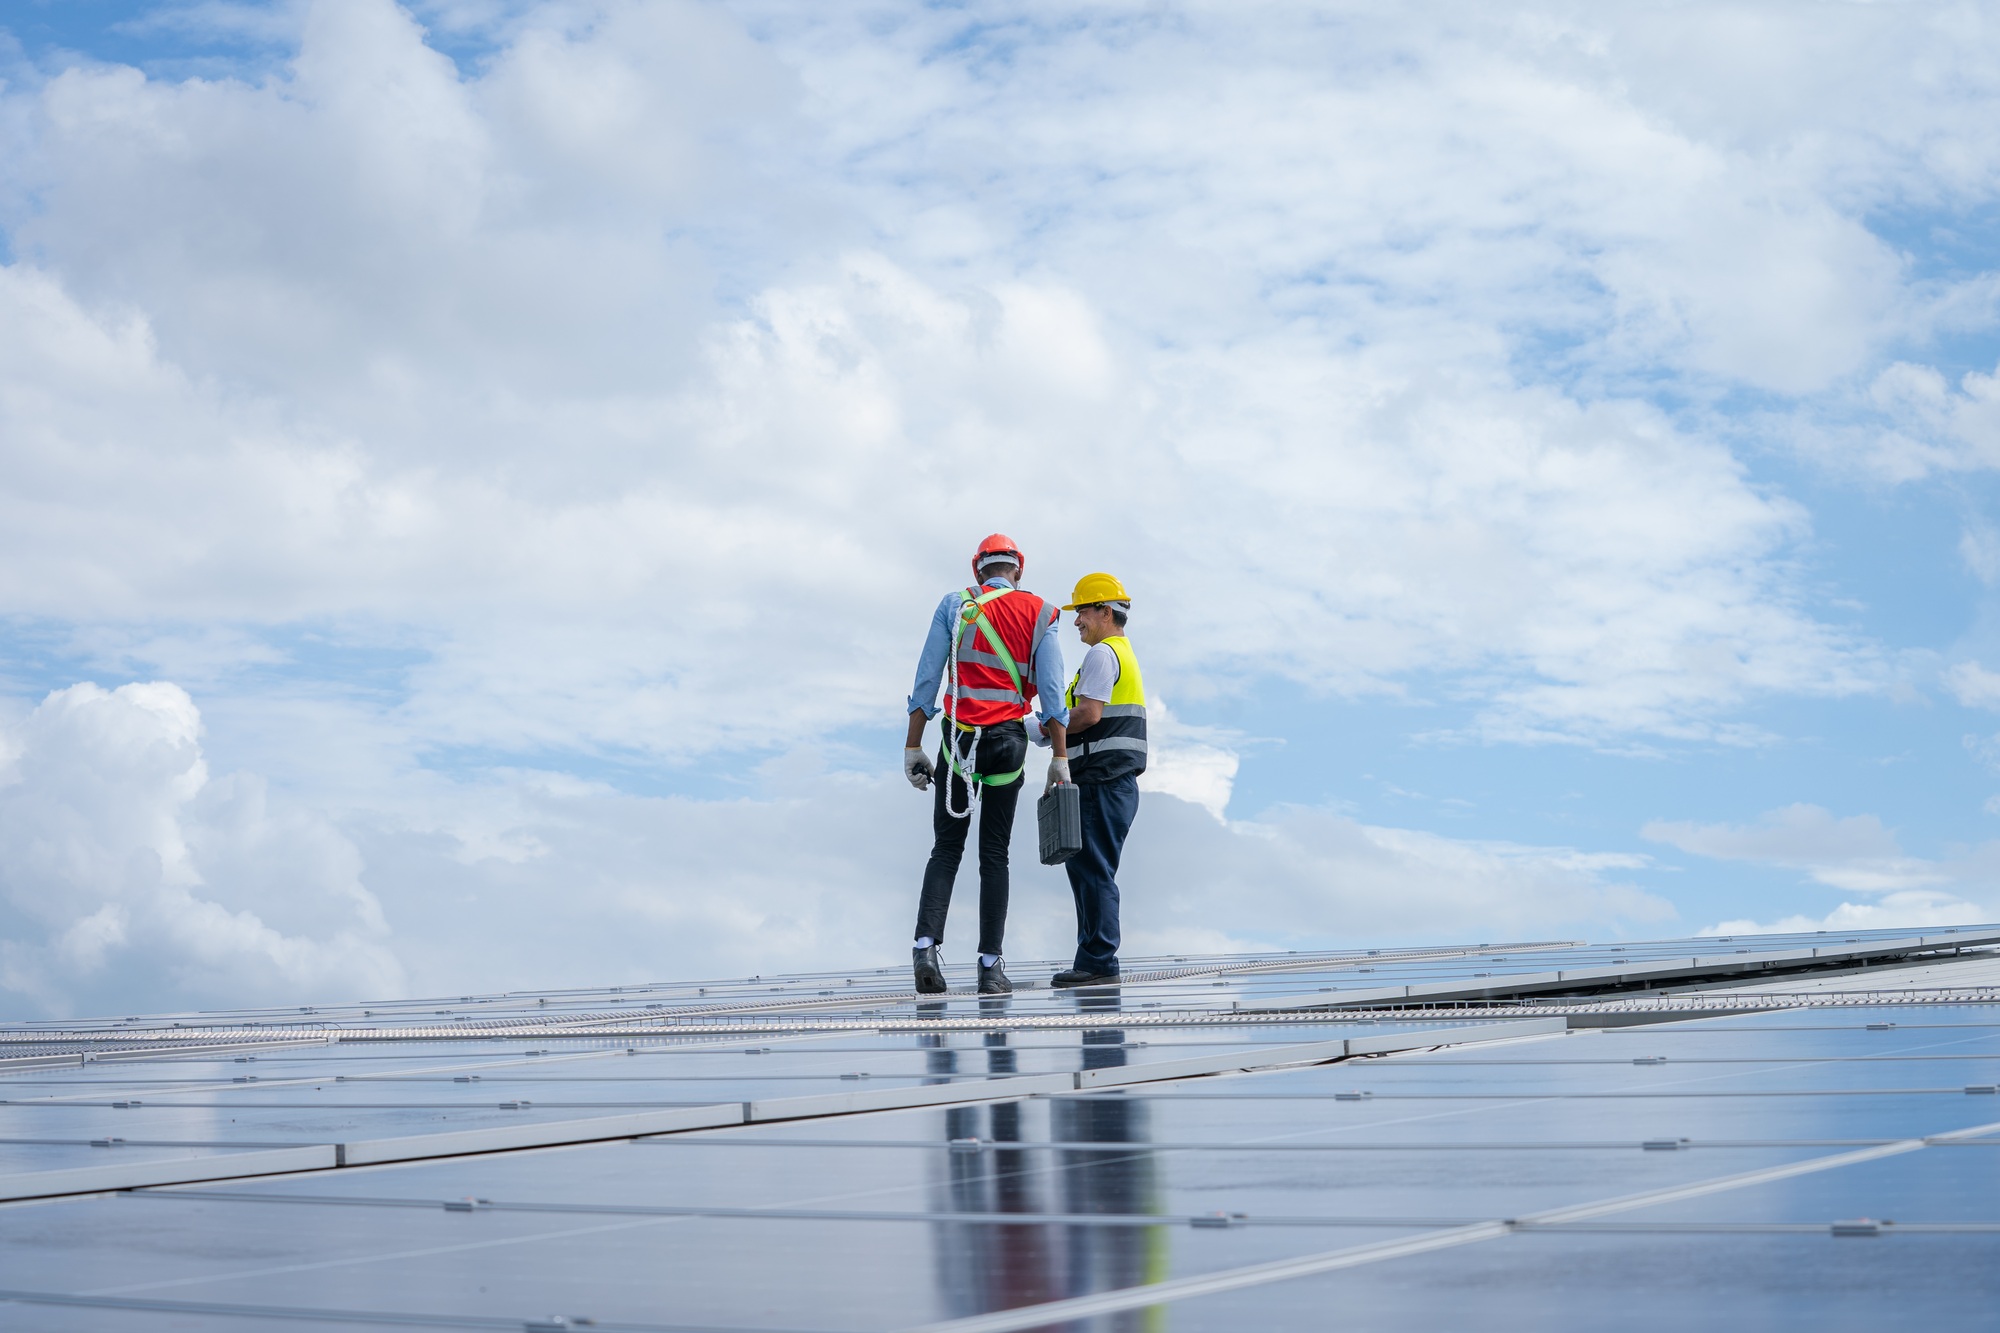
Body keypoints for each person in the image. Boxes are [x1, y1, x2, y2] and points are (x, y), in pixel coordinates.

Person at [904, 535, 1070, 995]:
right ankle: (990, 967)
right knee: (994, 855)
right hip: (1008, 743)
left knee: (946, 849)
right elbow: (1054, 695)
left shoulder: (954, 605)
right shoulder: (1041, 612)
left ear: (977, 568)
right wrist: (1058, 755)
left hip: (959, 741)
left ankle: (924, 947)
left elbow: (927, 677)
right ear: (1019, 568)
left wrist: (913, 745)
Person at [1044, 573, 1145, 989]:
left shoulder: (1104, 654)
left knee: (1094, 870)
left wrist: (1043, 729)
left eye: (1082, 611)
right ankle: (1091, 958)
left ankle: (1098, 961)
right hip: (1108, 779)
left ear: (1106, 611)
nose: (1076, 620)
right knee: (1088, 869)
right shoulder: (1118, 652)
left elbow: (1088, 714)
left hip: (1103, 779)